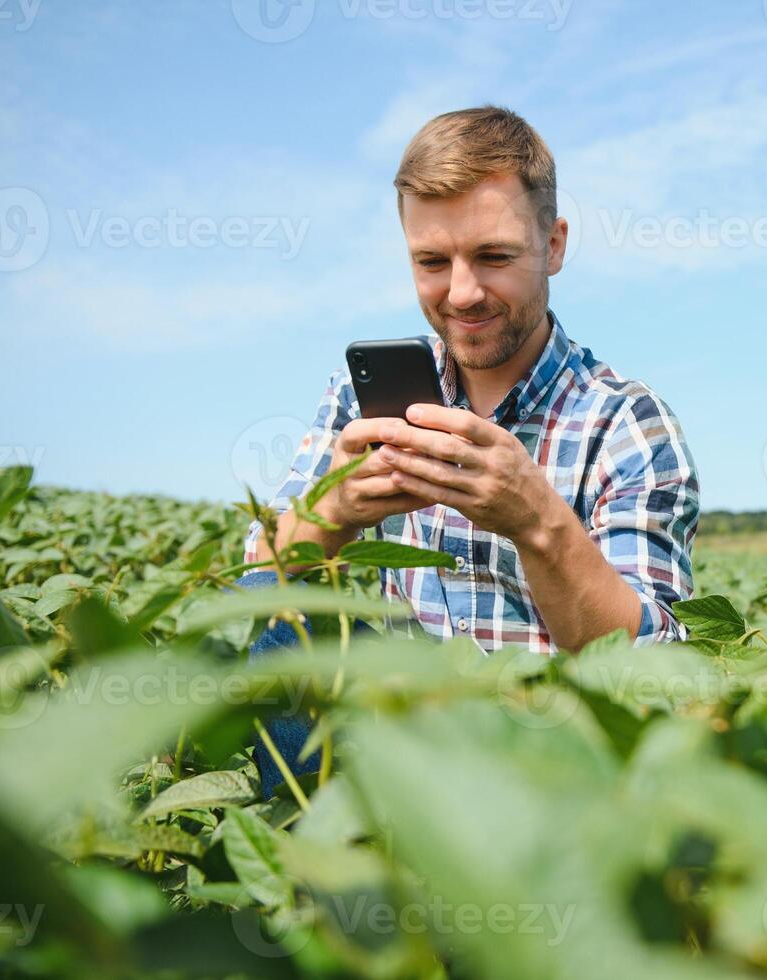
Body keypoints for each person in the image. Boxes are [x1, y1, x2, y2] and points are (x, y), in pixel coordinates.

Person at [239, 106, 699, 791]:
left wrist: (535, 521)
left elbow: (655, 670)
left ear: (554, 245)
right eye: (431, 261)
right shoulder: (358, 399)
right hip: (407, 739)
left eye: (494, 257)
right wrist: (330, 513)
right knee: (285, 632)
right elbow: (255, 587)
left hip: (555, 759)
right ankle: (319, 878)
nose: (461, 293)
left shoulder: (625, 423)